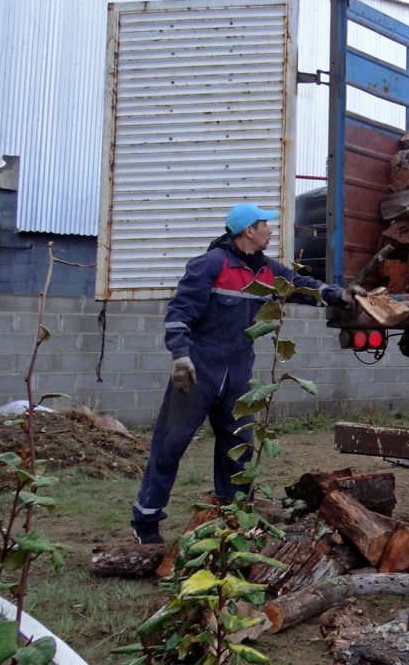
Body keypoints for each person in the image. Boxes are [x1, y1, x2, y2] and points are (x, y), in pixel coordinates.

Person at [131, 203, 350, 545]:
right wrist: (180, 356)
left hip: (238, 373)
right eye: (266, 225)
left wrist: (337, 294)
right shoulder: (210, 265)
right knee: (169, 446)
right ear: (249, 230)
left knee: (238, 447)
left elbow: (301, 285)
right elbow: (179, 312)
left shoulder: (265, 271)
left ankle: (232, 519)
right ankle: (145, 522)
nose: (271, 231)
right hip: (199, 371)